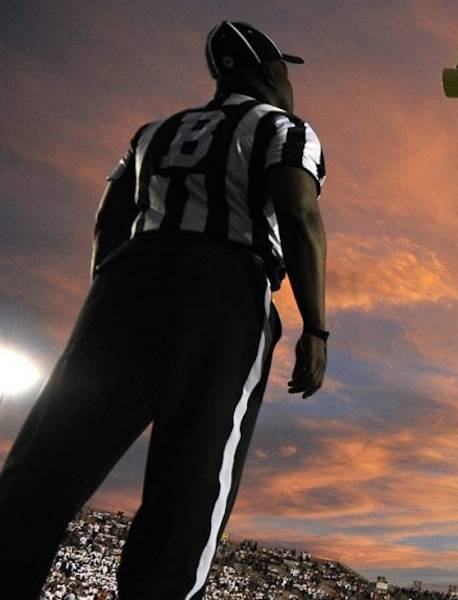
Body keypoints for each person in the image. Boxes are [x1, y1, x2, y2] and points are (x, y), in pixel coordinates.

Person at [0, 20, 328, 598]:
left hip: (130, 276)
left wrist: (110, 293)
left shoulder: (154, 131)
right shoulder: (283, 128)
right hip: (227, 286)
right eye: (281, 70)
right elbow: (300, 217)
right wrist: (316, 328)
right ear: (268, 70)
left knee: (47, 463)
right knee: (192, 482)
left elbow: (109, 219)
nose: (287, 82)